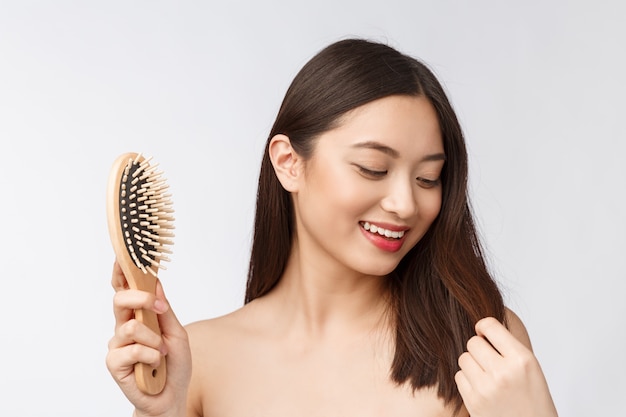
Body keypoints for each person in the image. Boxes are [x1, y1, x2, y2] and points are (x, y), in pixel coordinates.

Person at [106, 38, 559, 417]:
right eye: (373, 168)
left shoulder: (479, 344)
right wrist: (160, 413)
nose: (404, 204)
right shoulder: (199, 361)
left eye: (427, 179)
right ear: (289, 163)